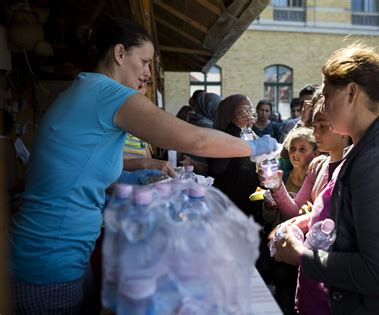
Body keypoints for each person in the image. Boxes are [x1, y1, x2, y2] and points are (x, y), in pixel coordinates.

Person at [8, 18, 278, 314]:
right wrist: (254, 147)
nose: (148, 74)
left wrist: (147, 166)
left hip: (61, 251)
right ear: (120, 53)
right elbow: (195, 140)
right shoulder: (108, 94)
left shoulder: (86, 90)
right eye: (145, 62)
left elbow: (83, 166)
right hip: (48, 257)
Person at [273, 43, 379, 314]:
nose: (323, 106)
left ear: (352, 93)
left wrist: (302, 256)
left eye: (327, 95)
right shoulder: (377, 142)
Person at [265, 94, 350, 315]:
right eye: (315, 126)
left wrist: (313, 217)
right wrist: (276, 187)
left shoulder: (355, 167)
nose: (316, 133)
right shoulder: (318, 166)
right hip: (311, 263)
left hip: (338, 270)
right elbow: (294, 209)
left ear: (343, 128)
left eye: (323, 126)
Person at [261, 126, 318, 314]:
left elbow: (294, 214)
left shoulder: (316, 180)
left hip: (304, 249)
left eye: (303, 149)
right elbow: (268, 218)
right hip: (281, 249)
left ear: (315, 152)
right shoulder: (283, 177)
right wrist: (269, 206)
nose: (295, 153)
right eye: (293, 148)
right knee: (283, 296)